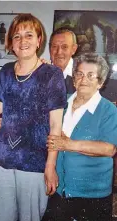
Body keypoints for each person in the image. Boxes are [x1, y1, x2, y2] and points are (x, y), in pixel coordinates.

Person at [0, 13, 67, 221]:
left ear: (39, 40)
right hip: (2, 159)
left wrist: (50, 166)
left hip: (34, 162)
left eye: (29, 35)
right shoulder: (6, 71)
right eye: (17, 36)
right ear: (11, 44)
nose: (22, 41)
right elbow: (0, 107)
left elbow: (55, 125)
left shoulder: (52, 74)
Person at [42, 53, 117, 221]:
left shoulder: (108, 111)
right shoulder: (62, 103)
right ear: (74, 79)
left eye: (91, 75)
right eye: (80, 74)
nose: (84, 79)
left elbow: (109, 149)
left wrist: (68, 144)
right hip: (60, 189)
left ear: (101, 82)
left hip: (92, 195)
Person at [49, 28, 78, 94]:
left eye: (64, 47)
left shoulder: (85, 75)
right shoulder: (41, 72)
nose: (59, 52)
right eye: (55, 46)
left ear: (74, 49)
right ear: (49, 48)